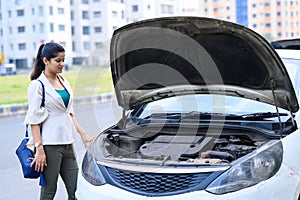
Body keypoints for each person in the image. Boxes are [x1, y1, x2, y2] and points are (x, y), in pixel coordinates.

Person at [24, 42, 94, 200]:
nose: (62, 63)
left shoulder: (63, 81)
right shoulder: (38, 85)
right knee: (49, 191)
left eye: (63, 59)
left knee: (76, 190)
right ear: (45, 61)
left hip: (68, 142)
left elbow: (69, 113)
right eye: (58, 60)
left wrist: (83, 134)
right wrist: (39, 149)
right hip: (49, 145)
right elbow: (33, 121)